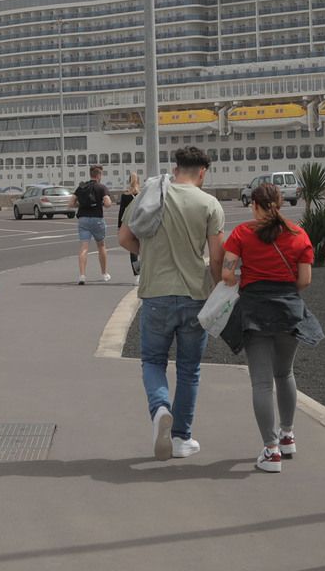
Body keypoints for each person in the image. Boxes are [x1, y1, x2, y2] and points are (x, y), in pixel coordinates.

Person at [119, 146, 225, 461]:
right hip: (195, 295)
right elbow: (217, 256)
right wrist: (218, 287)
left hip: (155, 295)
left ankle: (160, 407)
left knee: (153, 361)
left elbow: (125, 238)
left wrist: (149, 254)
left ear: (175, 167)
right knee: (189, 369)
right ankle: (181, 438)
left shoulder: (150, 195)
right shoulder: (209, 204)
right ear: (202, 172)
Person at [220, 182, 320, 474]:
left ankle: (271, 449)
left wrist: (243, 277)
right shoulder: (299, 235)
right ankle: (288, 436)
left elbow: (227, 273)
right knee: (285, 372)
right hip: (289, 311)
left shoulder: (241, 234)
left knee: (262, 383)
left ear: (254, 205)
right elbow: (305, 281)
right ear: (281, 202)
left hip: (254, 313)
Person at [70, 165, 113, 284]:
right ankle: (104, 274)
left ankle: (82, 276)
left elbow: (71, 203)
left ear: (90, 174)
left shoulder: (81, 187)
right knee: (101, 246)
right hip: (97, 219)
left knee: (84, 248)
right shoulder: (101, 187)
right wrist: (102, 203)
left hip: (83, 219)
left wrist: (82, 205)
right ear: (99, 175)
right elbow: (108, 203)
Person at [117, 172, 142, 284]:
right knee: (145, 248)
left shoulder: (125, 195)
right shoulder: (142, 194)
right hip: (141, 223)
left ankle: (137, 275)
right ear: (139, 181)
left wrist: (119, 227)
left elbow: (121, 212)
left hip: (130, 224)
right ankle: (146, 273)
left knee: (133, 251)